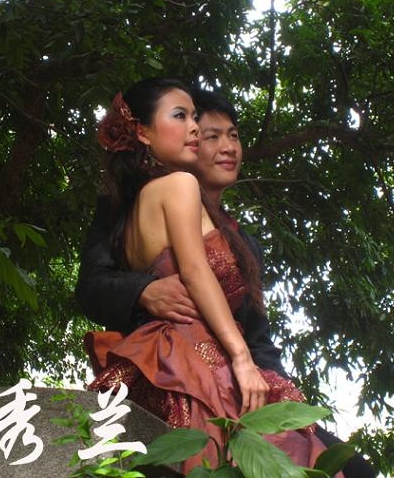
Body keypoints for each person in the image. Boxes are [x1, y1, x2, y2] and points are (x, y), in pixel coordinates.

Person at [80, 78, 342, 475]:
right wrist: (241, 359)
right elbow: (194, 271)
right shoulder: (176, 186)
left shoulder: (137, 210)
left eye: (195, 120)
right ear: (143, 132)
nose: (195, 129)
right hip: (197, 364)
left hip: (161, 362)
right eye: (182, 117)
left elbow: (256, 331)